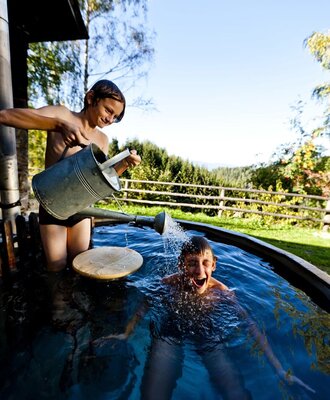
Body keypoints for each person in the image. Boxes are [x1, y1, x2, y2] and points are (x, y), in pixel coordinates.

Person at [95, 235, 315, 399]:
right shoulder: (169, 283)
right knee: (153, 392)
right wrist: (125, 333)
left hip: (209, 336)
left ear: (214, 265)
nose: (199, 271)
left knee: (234, 391)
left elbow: (252, 327)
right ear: (181, 265)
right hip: (170, 331)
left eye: (205, 263)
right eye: (192, 263)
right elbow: (144, 306)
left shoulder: (222, 292)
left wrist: (279, 370)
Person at [0, 79, 141, 271]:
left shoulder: (102, 139)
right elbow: (6, 116)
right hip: (53, 205)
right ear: (91, 98)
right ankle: (57, 302)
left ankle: (78, 301)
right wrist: (58, 125)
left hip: (81, 209)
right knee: (56, 266)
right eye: (108, 110)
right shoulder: (61, 114)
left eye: (115, 116)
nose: (110, 119)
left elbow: (99, 181)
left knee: (80, 265)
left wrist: (124, 164)